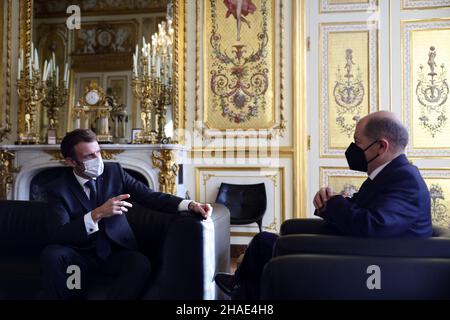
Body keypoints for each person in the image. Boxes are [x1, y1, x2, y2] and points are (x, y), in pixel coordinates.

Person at [214, 111, 432, 299]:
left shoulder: (406, 180)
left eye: (358, 143)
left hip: (370, 263)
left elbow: (374, 225)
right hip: (355, 249)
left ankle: (243, 294)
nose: (353, 149)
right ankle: (243, 291)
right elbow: (363, 211)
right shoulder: (389, 175)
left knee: (271, 245)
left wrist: (335, 203)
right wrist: (329, 202)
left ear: (381, 146)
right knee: (264, 242)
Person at [40, 129, 212, 299]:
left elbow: (150, 196)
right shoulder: (57, 189)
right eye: (88, 156)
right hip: (80, 256)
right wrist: (96, 214)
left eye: (98, 152)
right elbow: (58, 233)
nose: (97, 159)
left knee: (139, 264)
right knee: (53, 255)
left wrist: (189, 205)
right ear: (71, 161)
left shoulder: (114, 172)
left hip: (115, 252)